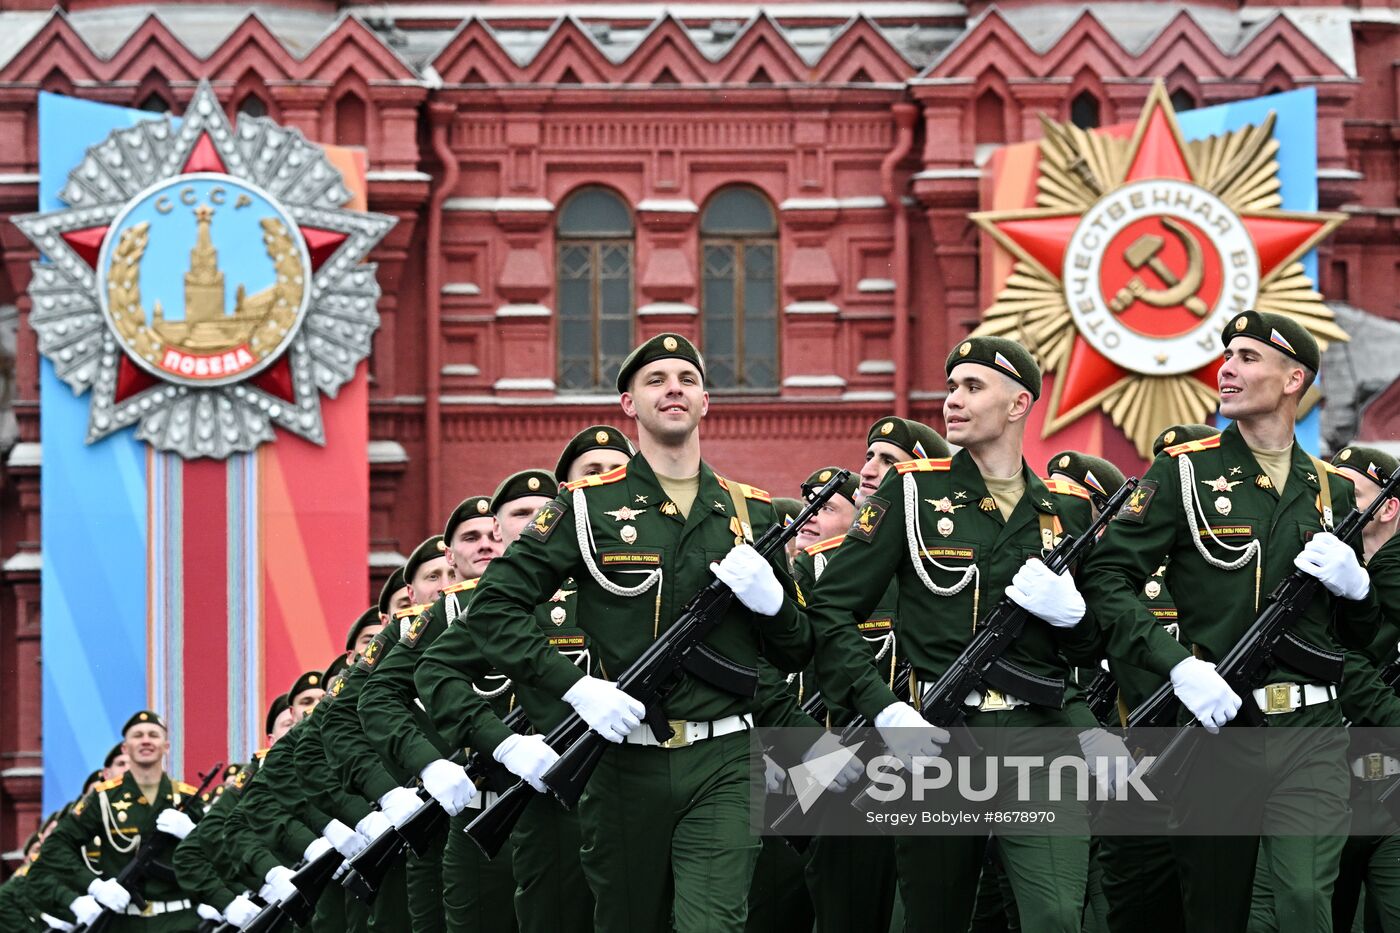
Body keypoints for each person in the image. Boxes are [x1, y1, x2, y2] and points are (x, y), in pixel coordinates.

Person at [467, 333, 811, 932]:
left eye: (686, 378)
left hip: (727, 756)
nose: (673, 388)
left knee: (714, 922)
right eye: (656, 380)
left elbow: (798, 646)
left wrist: (774, 601)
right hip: (624, 765)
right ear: (628, 404)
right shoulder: (583, 508)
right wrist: (578, 690)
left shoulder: (751, 512)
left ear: (707, 401)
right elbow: (493, 607)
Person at [1081, 310, 1378, 933]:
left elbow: (1363, 638)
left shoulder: (1333, 490)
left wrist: (1358, 588)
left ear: (1294, 378)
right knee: (1213, 908)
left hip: (1311, 729)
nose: (1228, 369)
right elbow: (1109, 581)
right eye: (1227, 356)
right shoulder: (1183, 471)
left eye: (1247, 358)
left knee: (1302, 900)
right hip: (1217, 729)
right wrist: (1179, 667)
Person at [804, 336, 1101, 932]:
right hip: (936, 737)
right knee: (934, 916)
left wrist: (1076, 617)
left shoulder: (1064, 509)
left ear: (1019, 405)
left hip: (1038, 738)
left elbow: (1096, 646)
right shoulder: (912, 492)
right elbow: (832, 606)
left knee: (1057, 915)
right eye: (950, 388)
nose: (952, 402)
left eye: (972, 388)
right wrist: (884, 709)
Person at [27, 711, 205, 931]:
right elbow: (56, 845)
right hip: (124, 923)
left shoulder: (187, 797)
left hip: (181, 921)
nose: (146, 740)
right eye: (137, 735)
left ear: (166, 746)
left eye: (153, 735)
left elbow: (219, 852)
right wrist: (94, 886)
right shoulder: (103, 798)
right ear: (125, 748)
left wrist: (194, 833)